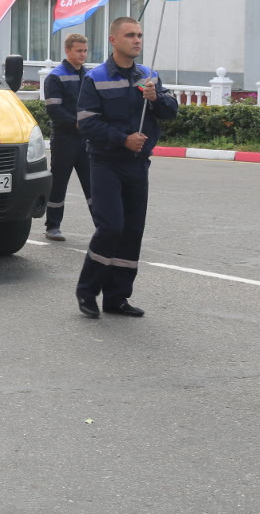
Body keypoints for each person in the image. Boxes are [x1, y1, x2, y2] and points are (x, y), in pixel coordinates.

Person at [74, 17, 178, 319]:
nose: (137, 40)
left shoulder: (148, 75)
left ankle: (117, 297)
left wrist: (156, 98)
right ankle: (87, 292)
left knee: (133, 231)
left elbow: (171, 111)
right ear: (113, 40)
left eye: (140, 35)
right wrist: (123, 139)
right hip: (106, 162)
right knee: (111, 227)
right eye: (130, 35)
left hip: (138, 164)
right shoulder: (96, 78)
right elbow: (86, 123)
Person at [43, 33, 93, 241]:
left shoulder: (89, 75)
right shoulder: (55, 76)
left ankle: (104, 225)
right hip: (65, 140)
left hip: (87, 140)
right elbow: (55, 110)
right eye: (78, 51)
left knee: (93, 184)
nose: (83, 55)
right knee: (59, 183)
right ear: (67, 51)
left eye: (85, 51)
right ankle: (52, 226)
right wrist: (79, 124)